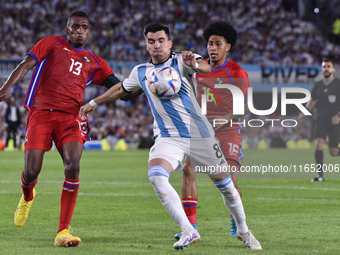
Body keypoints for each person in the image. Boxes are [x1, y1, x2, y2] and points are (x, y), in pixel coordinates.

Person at [80, 22, 262, 250]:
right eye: (151, 41)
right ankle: (188, 229)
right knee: (157, 176)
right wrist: (93, 103)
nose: (156, 45)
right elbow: (120, 90)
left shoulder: (182, 60)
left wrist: (193, 62)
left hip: (200, 135)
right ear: (146, 45)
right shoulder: (141, 72)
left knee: (226, 186)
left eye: (161, 40)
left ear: (169, 43)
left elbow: (205, 68)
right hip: (168, 137)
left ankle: (244, 230)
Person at [0, 10, 121, 247]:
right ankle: (27, 195)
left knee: (73, 164)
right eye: (74, 26)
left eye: (83, 27)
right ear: (67, 30)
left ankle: (63, 230)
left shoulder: (94, 62)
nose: (78, 31)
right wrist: (6, 88)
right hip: (41, 114)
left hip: (71, 118)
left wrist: (144, 83)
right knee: (32, 171)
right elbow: (25, 65)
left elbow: (120, 88)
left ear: (89, 32)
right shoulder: (51, 44)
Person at [174, 21, 251, 241]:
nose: (212, 48)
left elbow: (246, 106)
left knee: (231, 183)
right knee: (189, 171)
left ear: (228, 46)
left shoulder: (237, 72)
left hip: (228, 131)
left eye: (218, 43)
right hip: (200, 131)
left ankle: (237, 224)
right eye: (210, 43)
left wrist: (225, 118)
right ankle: (191, 226)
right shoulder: (196, 68)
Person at [299, 59, 340, 182]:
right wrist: (304, 112)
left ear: (333, 69)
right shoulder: (318, 85)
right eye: (324, 67)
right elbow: (313, 100)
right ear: (322, 69)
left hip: (336, 120)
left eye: (329, 66)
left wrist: (338, 115)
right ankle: (320, 175)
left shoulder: (338, 83)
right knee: (319, 144)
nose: (326, 68)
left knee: (333, 151)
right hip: (322, 118)